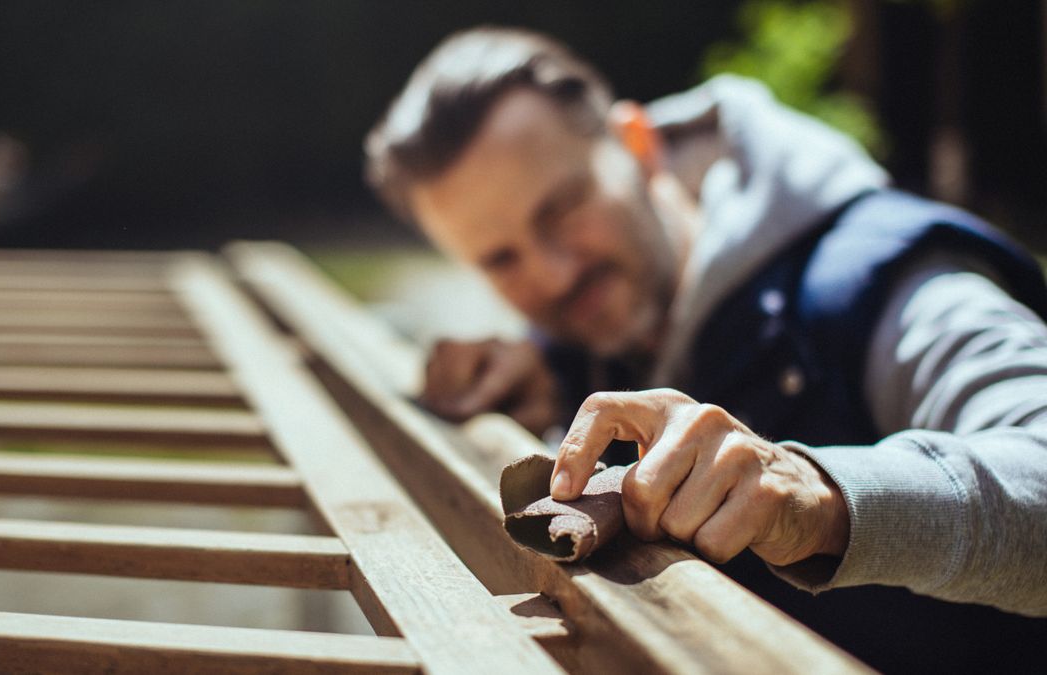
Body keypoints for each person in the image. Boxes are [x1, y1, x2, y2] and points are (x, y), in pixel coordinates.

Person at [364, 26, 1047, 672]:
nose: (553, 274)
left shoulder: (886, 287)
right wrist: (549, 369)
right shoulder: (584, 339)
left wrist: (821, 495)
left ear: (637, 144)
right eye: (501, 258)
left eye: (563, 208)